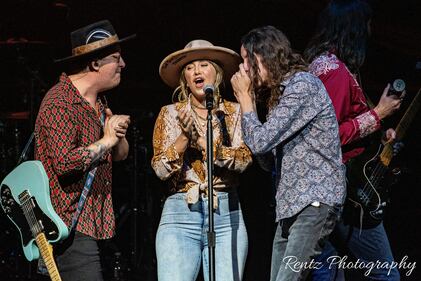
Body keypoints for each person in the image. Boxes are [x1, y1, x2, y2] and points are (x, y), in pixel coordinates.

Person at [230, 25, 346, 281]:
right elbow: (265, 159)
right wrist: (250, 107)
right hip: (290, 207)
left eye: (248, 58)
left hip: (313, 200)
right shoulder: (279, 96)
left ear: (266, 54)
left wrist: (246, 103)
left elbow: (260, 143)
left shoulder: (302, 85)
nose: (245, 68)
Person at [304, 0, 403, 280]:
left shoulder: (330, 66)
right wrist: (379, 113)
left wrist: (379, 129)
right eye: (367, 26)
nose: (371, 33)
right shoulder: (334, 71)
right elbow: (327, 135)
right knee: (386, 275)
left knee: (329, 273)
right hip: (342, 191)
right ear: (355, 30)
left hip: (324, 192)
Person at [34, 20, 134, 281]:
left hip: (96, 224)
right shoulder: (60, 101)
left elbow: (120, 156)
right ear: (95, 64)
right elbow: (65, 163)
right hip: (68, 226)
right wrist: (107, 140)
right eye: (116, 58)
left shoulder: (100, 103)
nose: (122, 65)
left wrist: (117, 137)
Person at [152, 39, 253, 281]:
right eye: (189, 67)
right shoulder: (170, 113)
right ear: (184, 78)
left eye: (204, 64)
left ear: (216, 74)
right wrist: (185, 138)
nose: (196, 71)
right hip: (180, 210)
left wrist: (208, 146)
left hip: (226, 211)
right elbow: (159, 168)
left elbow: (245, 159)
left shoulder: (234, 111)